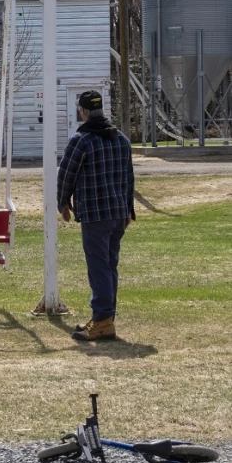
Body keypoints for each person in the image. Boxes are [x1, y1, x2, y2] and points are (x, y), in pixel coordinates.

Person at [57, 90, 135, 341]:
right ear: (102, 109)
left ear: (82, 111)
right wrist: (129, 209)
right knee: (109, 266)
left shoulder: (81, 140)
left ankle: (102, 320)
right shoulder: (121, 138)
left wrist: (63, 203)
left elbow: (67, 174)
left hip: (95, 213)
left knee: (98, 266)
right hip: (118, 213)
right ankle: (105, 318)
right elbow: (129, 178)